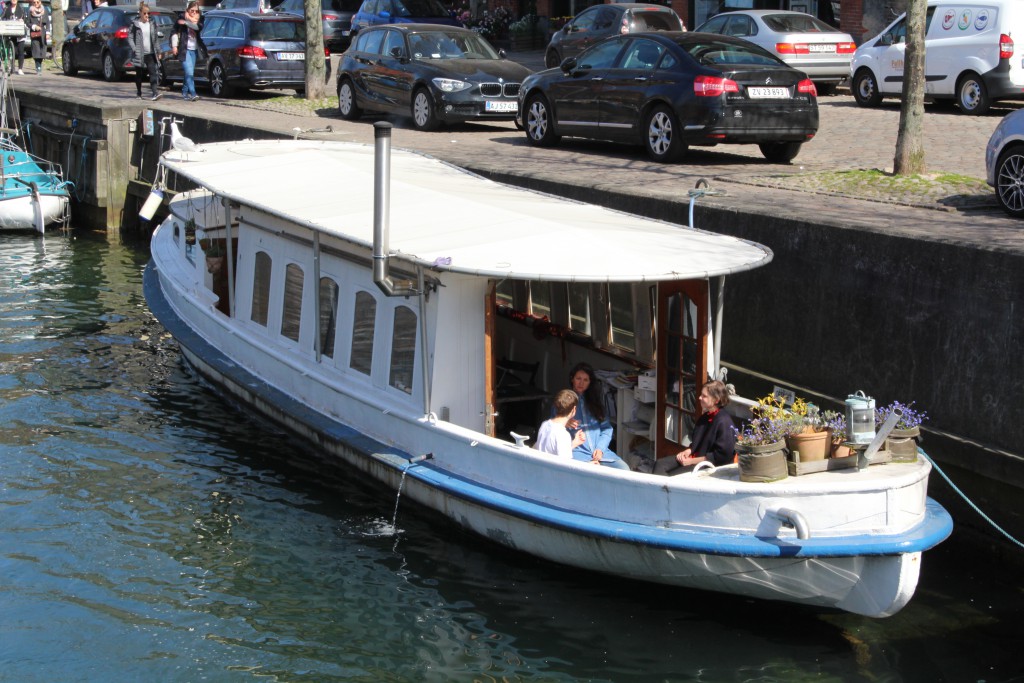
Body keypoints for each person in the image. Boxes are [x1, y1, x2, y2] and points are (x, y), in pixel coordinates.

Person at [564, 362, 630, 470]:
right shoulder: (565, 400)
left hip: (600, 453)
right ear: (572, 379)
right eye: (578, 378)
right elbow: (555, 425)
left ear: (590, 383)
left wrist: (600, 449)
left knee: (624, 469)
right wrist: (565, 422)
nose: (581, 383)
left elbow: (607, 429)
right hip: (577, 453)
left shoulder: (595, 403)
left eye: (586, 380)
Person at [671, 380, 737, 469]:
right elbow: (697, 443)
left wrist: (691, 461)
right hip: (694, 459)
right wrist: (688, 451)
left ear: (716, 400)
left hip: (708, 467)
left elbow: (722, 456)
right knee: (660, 464)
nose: (699, 398)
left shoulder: (724, 422)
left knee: (670, 476)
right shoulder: (705, 417)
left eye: (704, 396)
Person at [171, 0, 206, 101]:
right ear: (188, 10)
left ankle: (184, 92)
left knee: (189, 73)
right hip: (184, 49)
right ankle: (193, 93)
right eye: (192, 11)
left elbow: (197, 28)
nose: (194, 13)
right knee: (189, 72)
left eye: (196, 11)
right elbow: (174, 31)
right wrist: (174, 46)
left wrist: (186, 22)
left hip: (194, 50)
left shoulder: (200, 19)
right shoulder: (180, 18)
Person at [535, 389, 585, 459]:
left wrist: (574, 443)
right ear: (574, 409)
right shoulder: (563, 435)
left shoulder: (544, 425)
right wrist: (589, 465)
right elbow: (566, 466)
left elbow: (552, 451)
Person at [128, 2, 161, 101]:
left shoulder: (151, 23)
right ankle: (139, 93)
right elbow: (130, 37)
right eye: (145, 13)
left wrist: (158, 51)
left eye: (148, 13)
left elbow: (155, 39)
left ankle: (155, 93)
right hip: (140, 53)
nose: (147, 15)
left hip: (150, 53)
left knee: (153, 72)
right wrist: (134, 48)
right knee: (139, 74)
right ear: (140, 13)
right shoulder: (135, 24)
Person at [23, 0, 47, 75]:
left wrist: (48, 32)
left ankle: (40, 64)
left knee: (42, 50)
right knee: (36, 50)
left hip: (43, 33)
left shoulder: (44, 11)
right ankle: (38, 67)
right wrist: (34, 26)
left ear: (40, 2)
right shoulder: (30, 11)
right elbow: (27, 22)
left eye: (38, 2)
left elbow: (48, 23)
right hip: (34, 33)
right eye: (34, 2)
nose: (36, 4)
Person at [3, 0, 26, 75]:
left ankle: (20, 68)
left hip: (19, 34)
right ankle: (11, 67)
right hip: (10, 33)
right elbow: (2, 17)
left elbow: (26, 19)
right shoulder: (7, 8)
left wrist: (22, 20)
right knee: (11, 51)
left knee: (21, 51)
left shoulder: (21, 9)